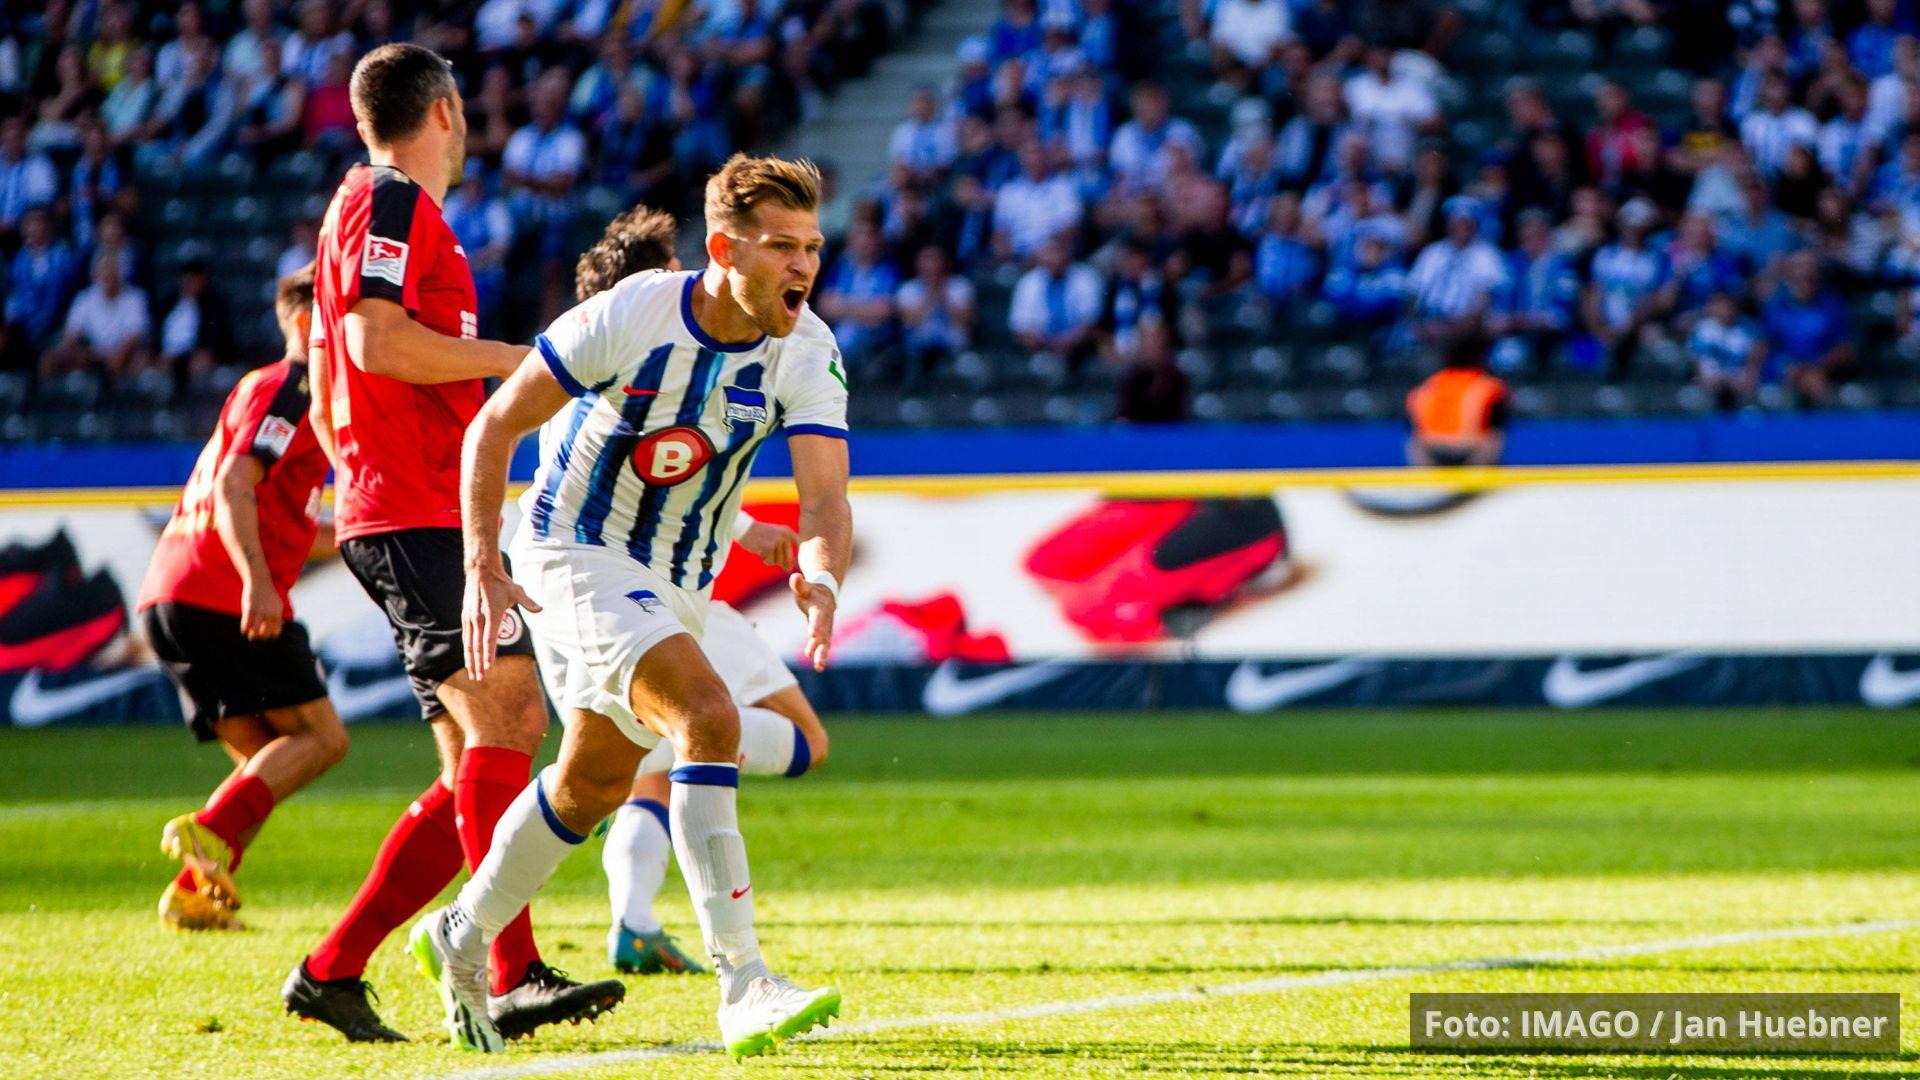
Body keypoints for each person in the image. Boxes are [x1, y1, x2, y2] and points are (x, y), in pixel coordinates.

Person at [410, 153, 850, 1059]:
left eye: (811, 247)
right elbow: (495, 425)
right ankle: (744, 982)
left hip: (677, 580)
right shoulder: (633, 313)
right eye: (780, 247)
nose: (803, 266)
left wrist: (823, 573)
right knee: (707, 715)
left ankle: (462, 931)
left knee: (594, 782)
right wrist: (481, 565)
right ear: (724, 248)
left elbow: (824, 501)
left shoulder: (809, 349)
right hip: (573, 553)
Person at [283, 43, 623, 1045]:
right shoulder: (389, 201)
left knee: (474, 766)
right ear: (443, 109)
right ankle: (508, 971)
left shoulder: (371, 209)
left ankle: (331, 971)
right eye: (464, 109)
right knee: (514, 716)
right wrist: (531, 364)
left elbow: (334, 366)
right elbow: (373, 345)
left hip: (406, 500)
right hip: (411, 507)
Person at [564, 205, 834, 977]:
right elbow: (658, 469)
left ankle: (561, 921)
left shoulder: (583, 372)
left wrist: (745, 529)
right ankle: (735, 969)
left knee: (599, 781)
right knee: (790, 737)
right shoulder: (652, 350)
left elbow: (643, 466)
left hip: (580, 588)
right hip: (654, 584)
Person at [136, 264, 347, 933]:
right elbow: (233, 482)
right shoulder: (295, 386)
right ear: (309, 323)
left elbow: (273, 511)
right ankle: (208, 834)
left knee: (266, 758)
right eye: (343, 313)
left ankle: (193, 895)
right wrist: (258, 580)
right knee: (322, 739)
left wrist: (359, 535)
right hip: (224, 590)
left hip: (172, 591)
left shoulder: (262, 390)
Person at [1405, 333, 1508, 467]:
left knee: (1413, 442)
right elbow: (1496, 428)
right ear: (1479, 356)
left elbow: (1414, 429)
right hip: (1472, 450)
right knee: (1494, 438)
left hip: (1430, 451)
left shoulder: (1426, 387)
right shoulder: (1488, 386)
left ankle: (1429, 482)